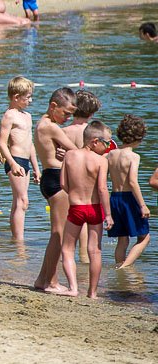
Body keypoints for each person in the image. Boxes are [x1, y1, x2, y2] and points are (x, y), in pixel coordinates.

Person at [58, 120, 114, 298]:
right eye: (106, 143)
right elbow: (102, 189)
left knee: (67, 249)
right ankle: (92, 292)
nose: (108, 148)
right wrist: (109, 215)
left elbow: (63, 184)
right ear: (94, 141)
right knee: (95, 251)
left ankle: (73, 288)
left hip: (76, 207)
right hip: (95, 208)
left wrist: (75, 194)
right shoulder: (100, 161)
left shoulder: (69, 156)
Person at [34, 88, 80, 292]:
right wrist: (69, 152)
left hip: (49, 177)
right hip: (55, 179)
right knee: (58, 234)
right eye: (66, 113)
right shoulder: (51, 127)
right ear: (53, 106)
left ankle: (41, 279)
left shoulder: (42, 123)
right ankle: (51, 282)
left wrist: (65, 152)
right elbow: (79, 152)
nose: (68, 118)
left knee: (57, 233)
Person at [0, 76, 40, 241]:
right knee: (23, 201)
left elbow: (31, 144)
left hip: (26, 161)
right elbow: (1, 143)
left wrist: (36, 167)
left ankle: (15, 239)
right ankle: (19, 241)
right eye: (27, 97)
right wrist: (13, 163)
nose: (31, 100)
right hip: (15, 160)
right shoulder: (9, 115)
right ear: (16, 97)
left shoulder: (27, 116)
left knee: (18, 202)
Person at [106, 114, 150, 269]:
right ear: (139, 138)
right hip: (128, 199)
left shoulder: (110, 154)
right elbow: (132, 182)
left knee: (122, 240)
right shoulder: (133, 156)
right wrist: (143, 205)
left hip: (114, 199)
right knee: (145, 237)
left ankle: (119, 265)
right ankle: (124, 267)